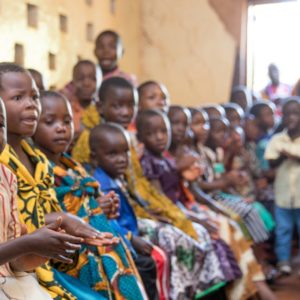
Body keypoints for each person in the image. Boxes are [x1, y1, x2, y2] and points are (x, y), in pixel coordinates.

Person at [0, 62, 120, 299]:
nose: (31, 105)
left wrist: (68, 227)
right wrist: (37, 238)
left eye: (34, 97)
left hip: (24, 269)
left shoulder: (28, 167)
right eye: (18, 98)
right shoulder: (7, 164)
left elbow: (22, 235)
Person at [33, 90, 154, 299]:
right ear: (33, 125)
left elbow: (87, 206)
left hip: (102, 244)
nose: (61, 128)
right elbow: (46, 215)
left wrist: (99, 207)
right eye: (50, 122)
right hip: (72, 259)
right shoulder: (38, 171)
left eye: (67, 121)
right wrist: (91, 209)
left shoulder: (74, 167)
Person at [89, 123, 227, 300]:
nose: (122, 159)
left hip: (131, 229)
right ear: (94, 157)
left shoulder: (116, 177)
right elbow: (108, 221)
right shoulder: (103, 185)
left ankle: (193, 290)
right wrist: (131, 238)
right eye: (112, 154)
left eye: (125, 152)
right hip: (124, 236)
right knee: (159, 257)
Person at [0, 97, 83, 300]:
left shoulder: (7, 175)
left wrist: (42, 249)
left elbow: (13, 261)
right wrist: (27, 243)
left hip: (10, 281)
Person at [265, 98, 300, 275]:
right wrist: (282, 156)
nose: (292, 117)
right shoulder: (277, 139)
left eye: (296, 113)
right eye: (288, 114)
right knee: (283, 229)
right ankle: (283, 260)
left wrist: (291, 153)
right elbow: (271, 162)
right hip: (283, 194)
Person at [60, 60, 97, 137]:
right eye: (80, 79)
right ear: (73, 82)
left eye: (92, 78)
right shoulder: (65, 108)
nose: (86, 83)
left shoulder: (102, 108)